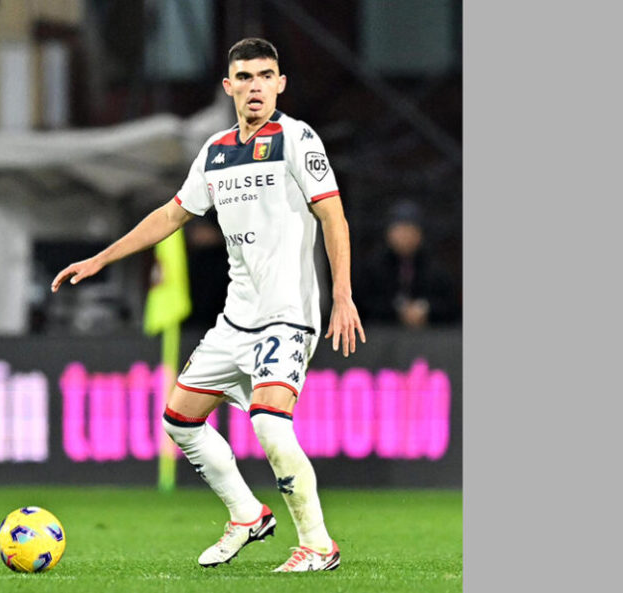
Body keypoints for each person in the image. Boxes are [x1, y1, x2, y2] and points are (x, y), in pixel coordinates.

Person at [51, 38, 363, 572]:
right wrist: (102, 258)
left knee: (269, 424)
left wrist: (342, 295)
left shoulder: (296, 138)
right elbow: (172, 214)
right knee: (179, 420)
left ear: (281, 83)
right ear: (229, 87)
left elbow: (333, 216)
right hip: (235, 319)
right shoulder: (216, 151)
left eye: (266, 75)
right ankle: (246, 513)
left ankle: (317, 544)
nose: (256, 86)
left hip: (288, 315)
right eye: (244, 77)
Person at [356, 200, 459, 328]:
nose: (405, 237)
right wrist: (397, 310)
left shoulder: (436, 268)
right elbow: (364, 304)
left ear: (420, 234)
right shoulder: (372, 268)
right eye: (400, 231)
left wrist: (424, 308)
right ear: (389, 233)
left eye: (410, 231)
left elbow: (450, 305)